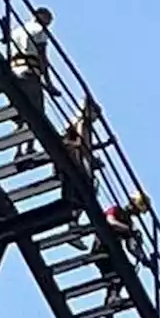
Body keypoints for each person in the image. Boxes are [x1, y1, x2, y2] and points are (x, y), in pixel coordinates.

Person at [92, 192, 152, 318]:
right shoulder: (116, 210)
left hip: (113, 254)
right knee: (115, 279)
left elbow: (131, 247)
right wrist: (129, 231)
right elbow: (110, 221)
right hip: (102, 251)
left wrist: (144, 259)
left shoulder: (129, 223)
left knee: (116, 282)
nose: (137, 213)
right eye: (137, 210)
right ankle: (112, 305)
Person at [9, 7, 60, 156]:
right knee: (36, 114)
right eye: (48, 21)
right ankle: (29, 148)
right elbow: (43, 59)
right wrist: (49, 83)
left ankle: (17, 150)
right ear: (41, 16)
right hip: (30, 73)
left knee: (20, 113)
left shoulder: (17, 30)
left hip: (14, 71)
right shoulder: (39, 31)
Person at [57, 98, 104, 251]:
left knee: (78, 194)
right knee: (87, 192)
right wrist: (92, 162)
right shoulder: (84, 123)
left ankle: (73, 223)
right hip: (75, 164)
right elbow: (84, 147)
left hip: (67, 161)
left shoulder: (76, 121)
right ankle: (73, 224)